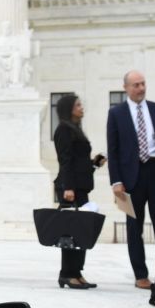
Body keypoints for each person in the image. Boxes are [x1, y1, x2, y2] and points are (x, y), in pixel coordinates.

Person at [106, 70, 155, 288]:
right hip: (130, 178)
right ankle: (141, 276)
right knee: (134, 228)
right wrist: (116, 181)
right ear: (126, 88)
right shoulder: (116, 113)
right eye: (136, 85)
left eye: (143, 84)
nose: (140, 88)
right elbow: (113, 149)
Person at [52, 95, 105, 289]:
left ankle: (77, 272)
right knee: (70, 233)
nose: (82, 108)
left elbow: (79, 163)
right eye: (78, 105)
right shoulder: (64, 130)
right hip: (70, 190)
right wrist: (68, 188)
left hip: (79, 188)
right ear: (68, 108)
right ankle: (67, 273)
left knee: (80, 231)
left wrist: (94, 164)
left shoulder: (76, 129)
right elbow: (65, 160)